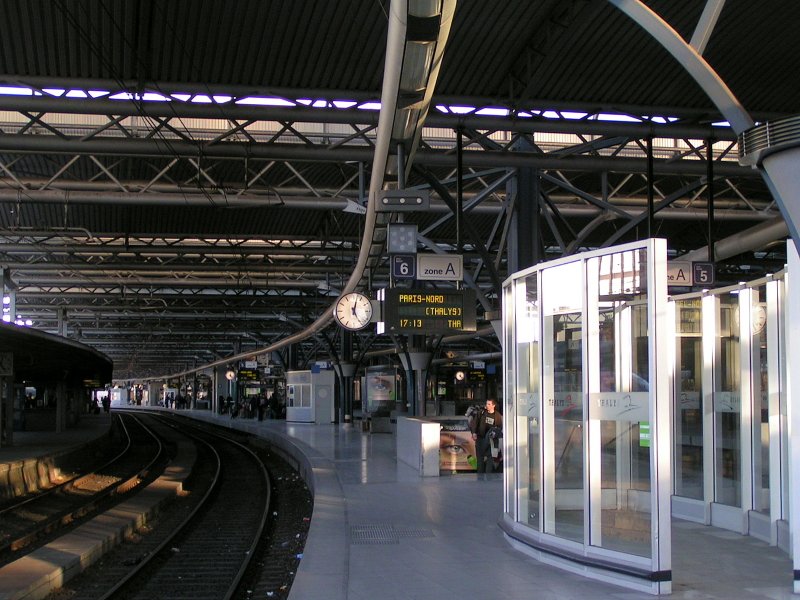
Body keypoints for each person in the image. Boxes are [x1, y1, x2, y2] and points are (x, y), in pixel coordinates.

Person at [470, 398, 503, 475]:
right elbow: (474, 423)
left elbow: (499, 427)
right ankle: (480, 476)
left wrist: (494, 434)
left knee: (490, 458)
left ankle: (489, 475)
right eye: (486, 404)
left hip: (491, 440)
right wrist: (474, 433)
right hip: (480, 438)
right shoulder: (481, 413)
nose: (487, 406)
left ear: (493, 405)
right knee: (480, 458)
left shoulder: (497, 415)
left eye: (489, 404)